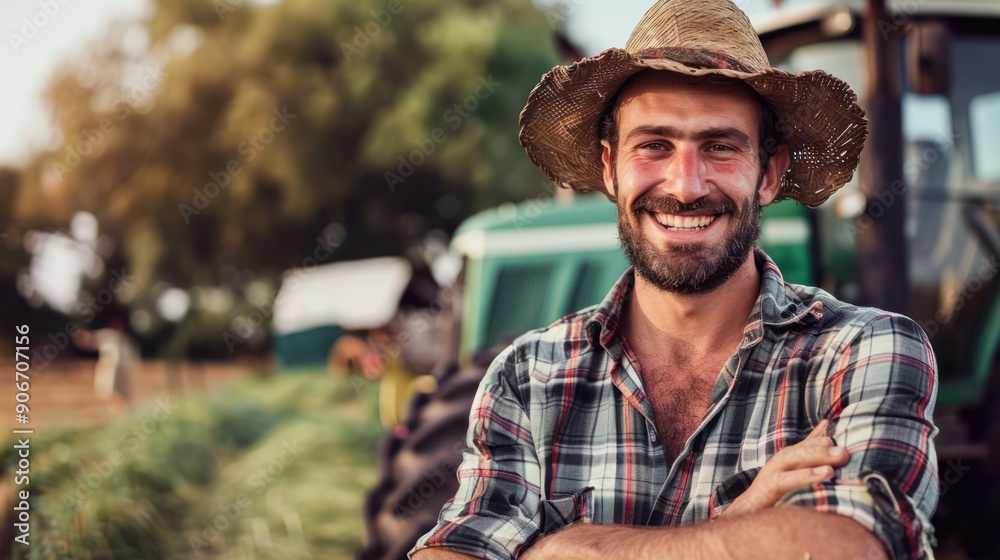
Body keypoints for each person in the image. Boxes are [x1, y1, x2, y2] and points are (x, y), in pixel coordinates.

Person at [410, 0, 938, 559]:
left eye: (719, 146)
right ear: (610, 168)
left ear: (770, 174)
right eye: (654, 145)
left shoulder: (866, 351)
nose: (685, 186)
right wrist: (741, 521)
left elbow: (852, 547)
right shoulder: (526, 376)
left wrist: (560, 548)